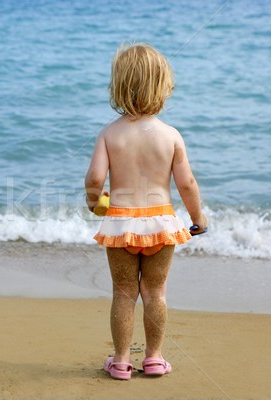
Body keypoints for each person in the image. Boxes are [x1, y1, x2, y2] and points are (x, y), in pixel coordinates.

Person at [84, 43, 207, 380]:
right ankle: (153, 357)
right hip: (161, 224)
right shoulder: (170, 136)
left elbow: (95, 178)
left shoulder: (110, 134)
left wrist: (95, 202)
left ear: (119, 87)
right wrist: (198, 219)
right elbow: (187, 184)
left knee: (124, 292)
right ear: (163, 87)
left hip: (121, 223)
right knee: (155, 292)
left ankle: (122, 360)